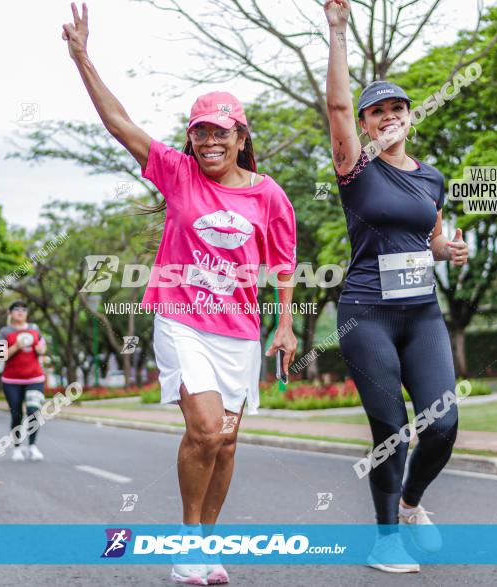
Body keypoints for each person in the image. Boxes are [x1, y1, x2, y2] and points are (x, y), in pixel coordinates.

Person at [62, 4, 298, 584]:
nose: (210, 140)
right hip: (181, 319)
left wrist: (287, 326)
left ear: (242, 137)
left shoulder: (269, 196)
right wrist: (82, 58)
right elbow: (120, 123)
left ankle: (207, 544)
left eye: (221, 131)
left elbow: (286, 265)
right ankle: (187, 542)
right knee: (204, 429)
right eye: (200, 131)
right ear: (190, 138)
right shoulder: (176, 172)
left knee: (228, 443)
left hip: (240, 331)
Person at [324, 0, 469, 574]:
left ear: (410, 114)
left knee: (445, 422)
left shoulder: (431, 177)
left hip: (422, 314)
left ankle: (411, 504)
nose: (387, 116)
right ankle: (386, 540)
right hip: (367, 314)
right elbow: (336, 100)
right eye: (376, 111)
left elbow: (427, 236)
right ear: (363, 124)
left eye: (396, 108)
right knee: (391, 430)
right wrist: (337, 31)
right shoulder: (356, 167)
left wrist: (447, 249)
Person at [0, 301, 48, 462]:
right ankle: (17, 448)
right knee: (16, 414)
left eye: (24, 309)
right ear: (10, 313)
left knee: (34, 412)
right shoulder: (4, 332)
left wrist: (41, 350)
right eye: (16, 309)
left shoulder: (34, 329)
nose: (20, 312)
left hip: (35, 378)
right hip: (11, 380)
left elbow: (43, 347)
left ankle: (32, 447)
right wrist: (16, 346)